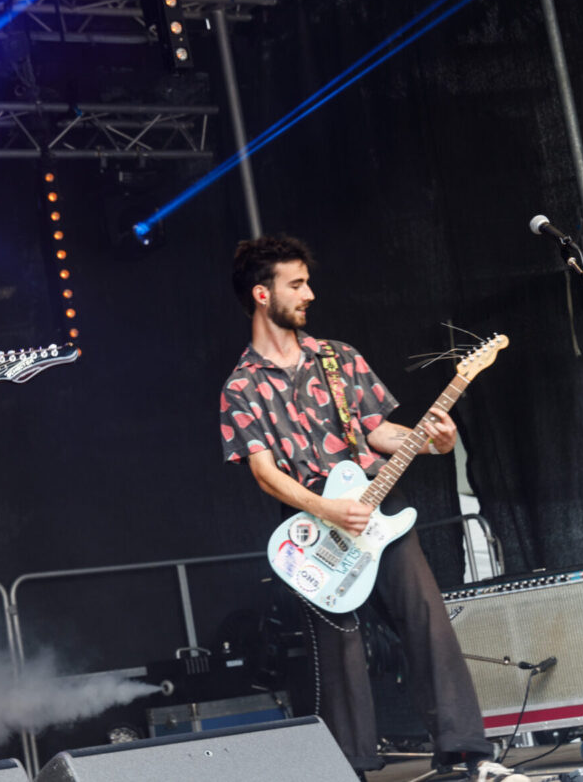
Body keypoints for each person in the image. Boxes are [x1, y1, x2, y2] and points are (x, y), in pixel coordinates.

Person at [218, 235, 527, 782]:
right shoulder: (241, 386)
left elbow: (378, 431)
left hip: (379, 506)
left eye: (308, 282)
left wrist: (433, 441)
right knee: (339, 646)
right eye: (297, 284)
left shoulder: (339, 358)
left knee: (426, 618)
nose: (310, 293)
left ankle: (466, 753)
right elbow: (265, 473)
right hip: (312, 524)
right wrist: (327, 509)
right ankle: (352, 768)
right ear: (263, 294)